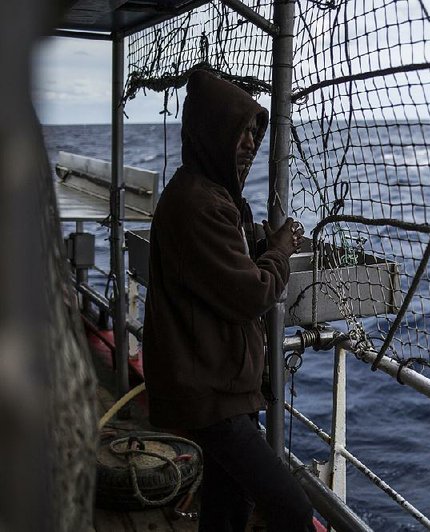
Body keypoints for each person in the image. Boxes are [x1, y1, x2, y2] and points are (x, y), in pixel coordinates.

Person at [143, 69, 313, 532]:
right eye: (240, 133)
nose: (250, 146)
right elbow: (252, 294)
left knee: (226, 505)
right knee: (292, 510)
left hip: (218, 385)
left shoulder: (212, 197)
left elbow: (221, 265)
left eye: (255, 135)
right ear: (210, 134)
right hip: (210, 392)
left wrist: (258, 245)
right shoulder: (200, 204)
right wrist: (278, 250)